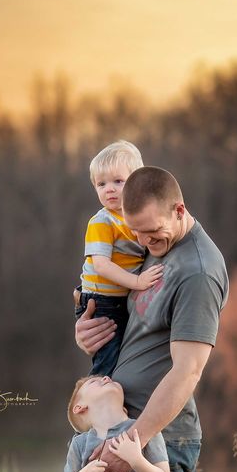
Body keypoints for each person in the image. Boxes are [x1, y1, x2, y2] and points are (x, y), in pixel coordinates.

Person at [61, 165, 229, 472]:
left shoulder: (197, 269)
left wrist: (128, 445)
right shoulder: (156, 251)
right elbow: (133, 327)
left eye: (153, 232)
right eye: (134, 232)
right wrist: (84, 332)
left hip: (160, 437)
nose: (144, 241)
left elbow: (188, 369)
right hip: (123, 431)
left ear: (180, 210)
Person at [76, 141, 164, 378]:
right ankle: (99, 402)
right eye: (101, 184)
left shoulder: (133, 220)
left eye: (118, 181)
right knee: (109, 362)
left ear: (137, 183)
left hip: (118, 298)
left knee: (128, 357)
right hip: (102, 300)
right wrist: (137, 283)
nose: (109, 189)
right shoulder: (102, 222)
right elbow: (101, 265)